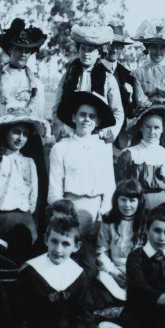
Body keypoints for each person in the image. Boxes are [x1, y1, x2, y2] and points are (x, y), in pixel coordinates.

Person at [15, 210, 94, 328]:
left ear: (76, 246)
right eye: (54, 242)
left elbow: (85, 311)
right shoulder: (30, 271)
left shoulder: (78, 274)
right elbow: (17, 310)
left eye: (65, 244)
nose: (58, 249)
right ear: (46, 240)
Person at [48, 91, 118, 273]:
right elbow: (54, 190)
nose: (87, 120)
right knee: (67, 260)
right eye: (82, 115)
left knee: (92, 260)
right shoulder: (60, 148)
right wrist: (63, 216)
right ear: (73, 117)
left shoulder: (103, 148)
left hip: (96, 211)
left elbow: (109, 185)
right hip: (69, 210)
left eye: (92, 116)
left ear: (98, 121)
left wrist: (104, 212)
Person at [0, 113, 48, 264]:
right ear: (5, 133)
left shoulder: (29, 163)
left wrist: (30, 224)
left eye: (25, 134)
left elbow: (32, 199)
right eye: (16, 132)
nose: (20, 138)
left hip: (22, 225)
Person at [0, 18, 47, 157]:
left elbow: (40, 116)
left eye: (27, 50)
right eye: (19, 49)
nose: (23, 54)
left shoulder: (37, 84)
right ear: (10, 49)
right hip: (4, 142)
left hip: (29, 141)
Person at [51, 25, 124, 143]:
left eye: (91, 50)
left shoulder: (108, 78)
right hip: (70, 134)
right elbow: (57, 107)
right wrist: (60, 130)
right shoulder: (68, 76)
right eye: (83, 49)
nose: (86, 53)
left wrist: (109, 133)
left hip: (96, 135)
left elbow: (118, 111)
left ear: (100, 53)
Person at [116, 104, 165, 210]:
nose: (152, 132)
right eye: (148, 127)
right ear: (141, 128)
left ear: (162, 129)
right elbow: (120, 186)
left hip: (162, 206)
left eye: (156, 128)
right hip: (135, 204)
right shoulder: (129, 153)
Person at [95, 179, 146, 306]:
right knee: (100, 280)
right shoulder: (108, 221)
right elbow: (101, 251)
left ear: (139, 202)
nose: (127, 205)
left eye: (132, 200)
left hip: (139, 272)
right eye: (123, 200)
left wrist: (135, 275)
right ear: (116, 200)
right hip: (115, 271)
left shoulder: (146, 221)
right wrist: (114, 272)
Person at [102, 25, 139, 149]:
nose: (114, 49)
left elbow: (131, 110)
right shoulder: (93, 70)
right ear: (104, 45)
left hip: (119, 135)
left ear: (122, 48)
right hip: (96, 131)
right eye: (111, 45)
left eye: (118, 46)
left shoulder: (128, 75)